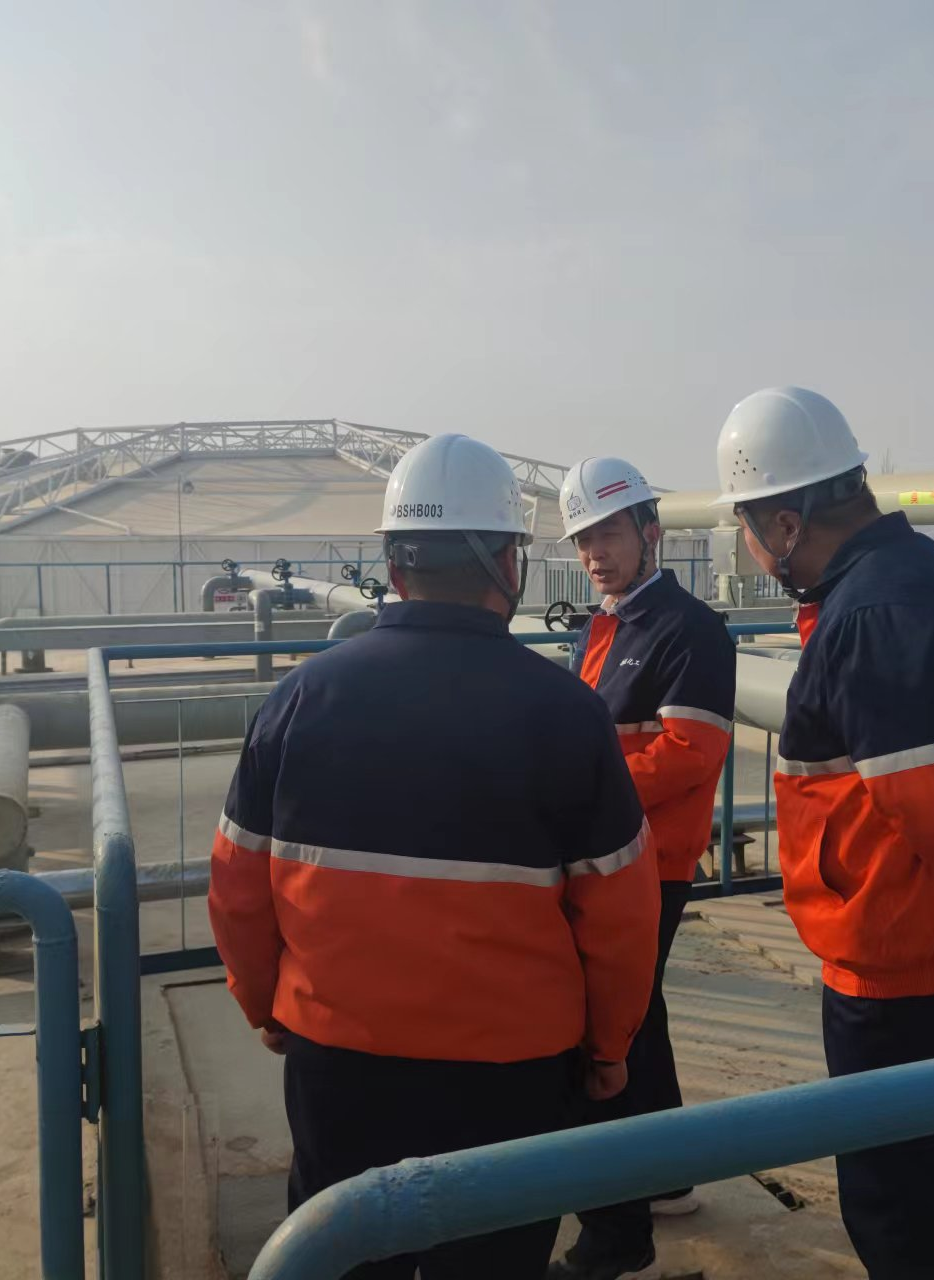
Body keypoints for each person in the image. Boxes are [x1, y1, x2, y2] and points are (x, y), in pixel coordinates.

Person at [208, 433, 661, 1280]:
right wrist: (609, 1049)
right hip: (511, 1074)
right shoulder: (567, 714)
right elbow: (621, 915)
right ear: (508, 562)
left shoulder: (300, 697)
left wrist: (265, 1004)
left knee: (343, 1255)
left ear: (393, 562)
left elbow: (237, 886)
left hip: (339, 1061)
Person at [710, 387, 934, 1280]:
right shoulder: (915, 578)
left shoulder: (876, 613)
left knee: (904, 1221)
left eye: (747, 527)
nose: (749, 549)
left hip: (910, 974)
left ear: (785, 524)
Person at [548, 458, 737, 1280]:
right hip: (612, 854)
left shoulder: (689, 630)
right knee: (639, 1015)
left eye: (609, 534)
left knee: (609, 1021)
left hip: (650, 862)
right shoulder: (610, 625)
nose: (595, 552)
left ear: (650, 531)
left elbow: (691, 752)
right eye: (584, 539)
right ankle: (668, 1172)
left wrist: (583, 793)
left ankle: (619, 1214)